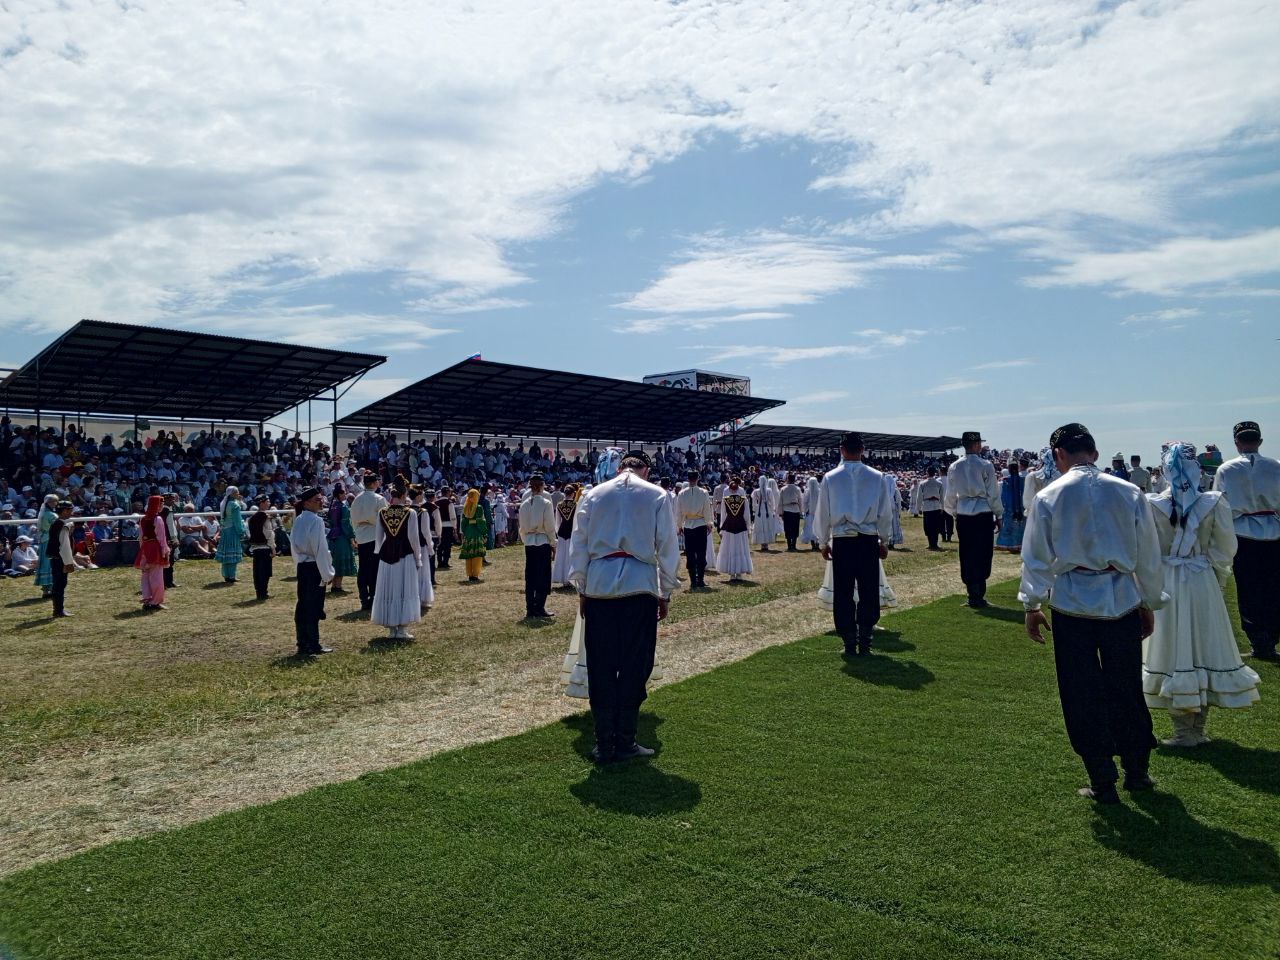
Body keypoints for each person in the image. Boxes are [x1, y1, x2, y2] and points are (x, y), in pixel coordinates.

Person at [1019, 423, 1167, 804]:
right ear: (1096, 454)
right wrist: (1148, 600)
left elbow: (1035, 557)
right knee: (1126, 686)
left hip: (1072, 601)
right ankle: (1138, 770)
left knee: (1080, 691)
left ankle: (1102, 778)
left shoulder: (1049, 495)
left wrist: (1032, 605)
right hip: (1120, 595)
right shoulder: (1129, 491)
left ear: (1058, 456)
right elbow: (1149, 555)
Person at [566, 449, 680, 764]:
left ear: (618, 468)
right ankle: (625, 739)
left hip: (601, 586)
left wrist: (583, 589)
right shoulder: (658, 495)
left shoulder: (593, 495)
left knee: (602, 665)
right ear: (645, 470)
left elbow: (580, 545)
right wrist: (666, 591)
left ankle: (605, 742)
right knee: (634, 664)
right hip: (639, 585)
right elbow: (668, 545)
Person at [1143, 443, 1259, 746]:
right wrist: (1217, 577)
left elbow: (1148, 550)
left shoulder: (1152, 504)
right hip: (1201, 579)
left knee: (1174, 648)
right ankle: (1195, 730)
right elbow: (1224, 549)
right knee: (1202, 646)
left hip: (1168, 580)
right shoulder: (1213, 502)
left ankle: (1186, 731)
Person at [814, 432, 894, 657]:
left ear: (841, 450)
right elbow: (885, 513)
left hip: (843, 540)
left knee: (843, 592)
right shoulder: (877, 476)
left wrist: (822, 542)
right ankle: (865, 640)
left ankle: (850, 640)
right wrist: (884, 540)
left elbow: (823, 513)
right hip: (867, 538)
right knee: (869, 591)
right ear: (863, 449)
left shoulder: (830, 477)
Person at [1212, 421, 1280, 660]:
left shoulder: (1226, 469)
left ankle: (1258, 638)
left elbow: (1220, 505)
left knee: (1249, 588)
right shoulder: (1275, 467)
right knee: (1273, 588)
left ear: (1237, 442)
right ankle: (1270, 638)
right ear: (1259, 441)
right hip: (1273, 532)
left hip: (1243, 533)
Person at [945, 431, 1002, 608]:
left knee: (967, 552)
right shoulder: (986, 465)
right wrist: (998, 514)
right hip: (983, 512)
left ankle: (972, 593)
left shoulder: (955, 466)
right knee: (983, 552)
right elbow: (993, 493)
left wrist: (954, 513)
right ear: (977, 445)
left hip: (963, 513)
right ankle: (979, 593)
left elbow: (950, 495)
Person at [371, 477, 422, 641]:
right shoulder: (410, 512)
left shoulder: (382, 512)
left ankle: (392, 628)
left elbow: (378, 538)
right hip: (404, 554)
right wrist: (418, 557)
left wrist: (378, 550)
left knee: (390, 589)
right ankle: (401, 628)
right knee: (404, 588)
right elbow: (414, 538)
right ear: (404, 494)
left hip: (387, 555)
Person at [290, 487, 334, 656]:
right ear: (307, 502)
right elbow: (320, 549)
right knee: (313, 606)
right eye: (317, 499)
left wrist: (299, 565)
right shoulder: (315, 521)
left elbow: (294, 547)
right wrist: (327, 573)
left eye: (321, 499)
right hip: (314, 566)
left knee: (303, 605)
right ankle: (312, 644)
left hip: (303, 566)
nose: (321, 502)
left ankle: (303, 642)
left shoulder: (300, 519)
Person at [518, 474, 557, 619]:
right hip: (542, 541)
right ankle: (539, 607)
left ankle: (530, 608)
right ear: (542, 486)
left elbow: (521, 527)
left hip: (529, 542)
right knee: (543, 575)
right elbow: (550, 527)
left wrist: (526, 540)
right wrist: (553, 543)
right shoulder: (546, 503)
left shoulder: (524, 504)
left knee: (530, 575)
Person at [349, 471, 387, 611]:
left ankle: (364, 598)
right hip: (375, 536)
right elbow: (384, 519)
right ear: (374, 483)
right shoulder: (378, 498)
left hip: (361, 536)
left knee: (364, 568)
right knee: (375, 568)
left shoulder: (357, 499)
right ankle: (373, 596)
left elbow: (352, 519)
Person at [676, 470, 714, 589]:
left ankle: (693, 581)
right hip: (700, 523)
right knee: (701, 552)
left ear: (688, 479)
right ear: (698, 478)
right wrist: (709, 523)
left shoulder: (682, 493)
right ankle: (700, 580)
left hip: (688, 525)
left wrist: (679, 525)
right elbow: (707, 509)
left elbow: (679, 511)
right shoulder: (703, 492)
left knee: (690, 553)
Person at [134, 495, 169, 611]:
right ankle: (155, 601)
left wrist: (142, 550)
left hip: (145, 548)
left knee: (146, 575)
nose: (162, 506)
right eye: (161, 504)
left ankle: (147, 599)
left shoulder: (143, 519)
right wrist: (165, 550)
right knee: (157, 576)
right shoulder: (157, 519)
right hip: (155, 548)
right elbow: (161, 538)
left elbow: (141, 537)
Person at [716, 475, 754, 581]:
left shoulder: (726, 494)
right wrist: (748, 525)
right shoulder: (742, 495)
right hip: (740, 523)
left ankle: (732, 573)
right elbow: (746, 512)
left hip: (729, 523)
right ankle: (739, 572)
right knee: (740, 546)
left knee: (730, 546)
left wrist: (722, 525)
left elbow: (723, 511)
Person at [326, 484, 357, 594]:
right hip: (341, 537)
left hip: (332, 536)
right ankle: (338, 586)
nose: (345, 494)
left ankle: (334, 585)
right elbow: (346, 524)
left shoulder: (333, 505)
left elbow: (329, 521)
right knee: (341, 560)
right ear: (339, 494)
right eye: (343, 493)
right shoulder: (343, 507)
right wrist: (351, 536)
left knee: (334, 560)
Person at [245, 493, 277, 601]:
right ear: (262, 503)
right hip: (264, 546)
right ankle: (263, 592)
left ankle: (259, 592)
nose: (269, 503)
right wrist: (273, 548)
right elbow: (269, 533)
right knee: (264, 571)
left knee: (257, 571)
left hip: (256, 547)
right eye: (267, 501)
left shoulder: (252, 518)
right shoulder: (264, 516)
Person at [410, 485, 435, 612]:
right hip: (421, 545)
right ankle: (422, 598)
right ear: (418, 496)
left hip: (408, 547)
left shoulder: (407, 510)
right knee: (423, 573)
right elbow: (426, 532)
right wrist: (431, 547)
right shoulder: (422, 512)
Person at [215, 485, 247, 583]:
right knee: (233, 553)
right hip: (233, 530)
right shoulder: (234, 505)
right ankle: (232, 575)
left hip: (225, 530)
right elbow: (237, 521)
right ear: (232, 493)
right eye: (236, 492)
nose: (238, 494)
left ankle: (226, 575)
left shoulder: (223, 503)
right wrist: (241, 531)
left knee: (226, 554)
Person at [551, 482, 580, 588]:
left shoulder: (559, 505)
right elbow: (577, 520)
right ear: (573, 494)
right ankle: (570, 579)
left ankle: (562, 578)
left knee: (561, 556)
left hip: (562, 531)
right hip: (572, 531)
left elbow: (557, 521)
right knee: (571, 556)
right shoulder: (576, 504)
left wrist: (558, 532)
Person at [458, 488, 488, 582]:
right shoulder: (478, 507)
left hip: (468, 532)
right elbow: (481, 521)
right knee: (477, 555)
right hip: (476, 531)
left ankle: (470, 574)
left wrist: (465, 531)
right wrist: (484, 531)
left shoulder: (466, 507)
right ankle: (475, 574)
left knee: (469, 555)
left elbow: (463, 522)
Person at [995, 462, 1027, 553]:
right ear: (1018, 469)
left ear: (1009, 470)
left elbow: (1001, 495)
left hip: (1009, 508)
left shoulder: (1004, 481)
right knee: (1020, 527)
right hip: (1021, 507)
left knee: (1009, 526)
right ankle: (1019, 545)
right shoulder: (1024, 480)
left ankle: (1009, 545)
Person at [913, 466, 946, 550]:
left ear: (927, 473)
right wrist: (942, 507)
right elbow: (942, 497)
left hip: (927, 506)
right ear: (934, 473)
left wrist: (918, 508)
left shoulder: (923, 483)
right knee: (935, 525)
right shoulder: (939, 484)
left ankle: (931, 544)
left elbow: (919, 497)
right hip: (936, 506)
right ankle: (934, 544)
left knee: (928, 526)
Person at [34, 493, 58, 599]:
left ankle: (47, 589)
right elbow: (57, 527)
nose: (55, 503)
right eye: (53, 501)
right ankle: (49, 589)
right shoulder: (51, 515)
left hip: (45, 539)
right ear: (48, 503)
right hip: (50, 539)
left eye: (55, 501)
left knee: (46, 563)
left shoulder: (45, 513)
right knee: (49, 563)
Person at [751, 477, 777, 552]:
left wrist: (755, 509)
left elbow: (754, 502)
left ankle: (763, 544)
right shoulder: (768, 490)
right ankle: (765, 544)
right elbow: (772, 501)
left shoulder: (756, 491)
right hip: (766, 510)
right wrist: (772, 509)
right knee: (766, 525)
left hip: (760, 509)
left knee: (761, 525)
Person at [779, 473, 803, 551]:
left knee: (788, 528)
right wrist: (801, 511)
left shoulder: (783, 489)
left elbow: (780, 502)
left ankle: (789, 546)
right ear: (794, 480)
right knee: (795, 528)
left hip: (787, 510)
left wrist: (781, 512)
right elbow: (800, 500)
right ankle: (794, 545)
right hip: (796, 510)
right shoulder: (798, 489)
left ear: (788, 479)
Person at [161, 493, 180, 588]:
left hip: (171, 537)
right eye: (171, 499)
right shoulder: (165, 510)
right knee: (168, 560)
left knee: (171, 561)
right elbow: (166, 526)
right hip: (169, 538)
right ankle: (166, 581)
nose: (173, 501)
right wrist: (171, 539)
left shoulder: (168, 509)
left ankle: (169, 581)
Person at [801, 474, 822, 550]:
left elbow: (804, 502)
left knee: (810, 528)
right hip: (818, 513)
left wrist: (805, 510)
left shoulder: (807, 491)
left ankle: (813, 544)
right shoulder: (819, 491)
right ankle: (817, 544)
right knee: (817, 528)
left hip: (810, 513)